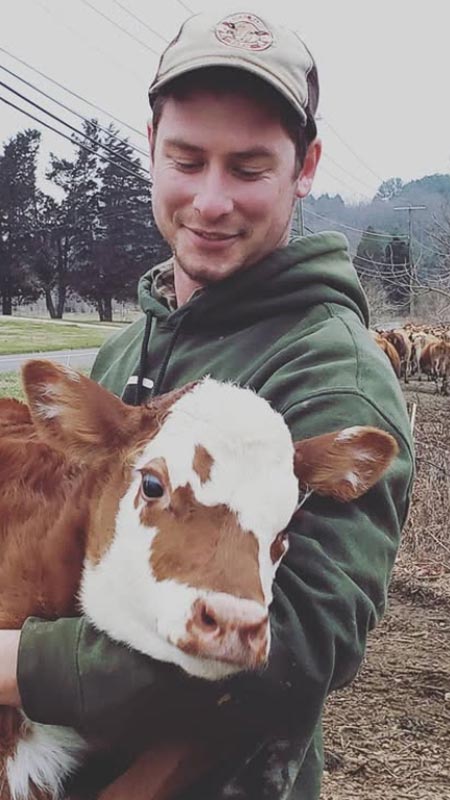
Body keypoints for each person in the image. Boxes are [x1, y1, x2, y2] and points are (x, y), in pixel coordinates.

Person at [0, 9, 414, 799]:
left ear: (306, 165)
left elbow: (296, 647)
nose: (211, 201)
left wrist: (17, 664)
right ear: (150, 148)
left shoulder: (331, 375)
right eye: (187, 159)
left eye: (249, 168)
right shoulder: (134, 345)